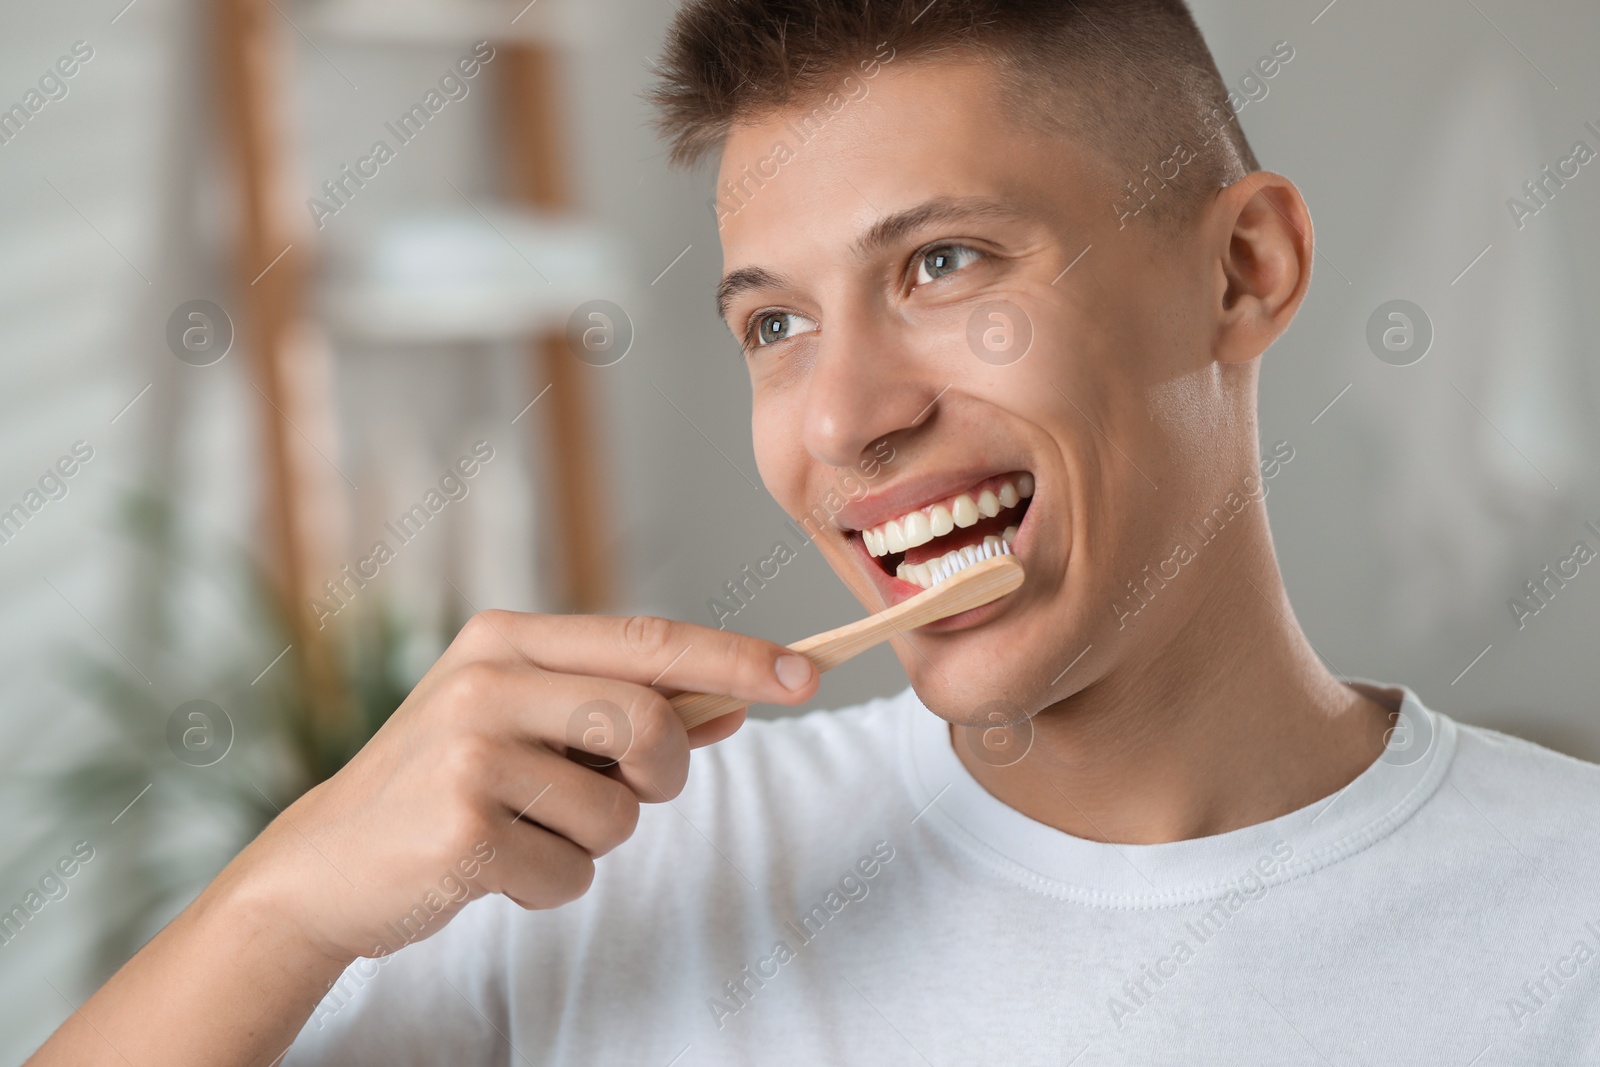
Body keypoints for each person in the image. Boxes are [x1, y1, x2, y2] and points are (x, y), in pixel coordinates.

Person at [30, 1, 1600, 1063]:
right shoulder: (613, 873)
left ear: (1243, 271)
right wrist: (283, 899)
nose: (842, 420)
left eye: (944, 267)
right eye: (773, 323)